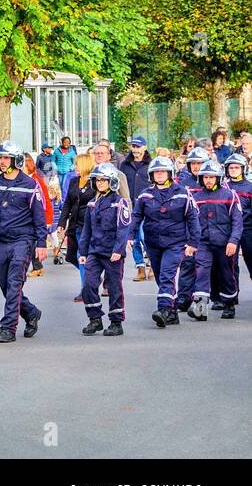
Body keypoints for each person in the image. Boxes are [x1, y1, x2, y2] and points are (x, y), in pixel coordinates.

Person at [0, 141, 46, 344]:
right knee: (5, 285)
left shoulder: (29, 184)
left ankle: (8, 328)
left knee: (14, 283)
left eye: (6, 158)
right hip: (1, 240)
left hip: (23, 240)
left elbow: (39, 217)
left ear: (16, 160)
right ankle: (31, 312)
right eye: (0, 158)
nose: (3, 162)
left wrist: (41, 243)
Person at [129, 155, 201, 328]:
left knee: (167, 274)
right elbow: (136, 217)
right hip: (153, 243)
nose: (160, 174)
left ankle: (163, 309)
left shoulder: (183, 193)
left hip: (175, 243)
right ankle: (173, 311)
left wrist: (193, 243)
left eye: (163, 171)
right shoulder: (145, 195)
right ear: (151, 175)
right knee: (161, 277)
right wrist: (130, 237)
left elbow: (193, 220)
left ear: (170, 173)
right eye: (156, 172)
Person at [77, 164, 131, 337]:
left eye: (103, 180)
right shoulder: (92, 204)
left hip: (112, 253)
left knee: (114, 287)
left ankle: (116, 322)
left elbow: (123, 229)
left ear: (112, 181)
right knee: (88, 285)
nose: (99, 183)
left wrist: (118, 250)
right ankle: (95, 319)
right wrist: (83, 253)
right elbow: (87, 230)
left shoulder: (119, 203)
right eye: (97, 180)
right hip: (95, 251)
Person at [189, 159, 243, 321]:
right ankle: (200, 307)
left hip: (224, 243)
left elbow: (237, 221)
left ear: (218, 178)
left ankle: (229, 304)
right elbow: (190, 222)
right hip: (203, 243)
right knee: (202, 272)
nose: (209, 180)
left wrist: (233, 241)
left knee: (227, 273)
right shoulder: (196, 197)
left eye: (212, 177)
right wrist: (191, 243)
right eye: (205, 177)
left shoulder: (230, 196)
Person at [175, 147, 211, 312]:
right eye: (193, 163)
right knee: (187, 263)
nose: (196, 167)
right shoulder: (183, 182)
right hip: (189, 230)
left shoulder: (214, 180)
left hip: (210, 230)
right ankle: (183, 297)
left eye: (199, 163)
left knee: (209, 265)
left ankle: (216, 296)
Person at [56, 152, 97, 295]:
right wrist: (61, 222)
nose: (75, 167)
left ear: (85, 165)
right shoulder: (74, 181)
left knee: (82, 255)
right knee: (71, 256)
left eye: (77, 164)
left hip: (87, 225)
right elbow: (67, 203)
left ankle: (86, 289)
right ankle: (93, 277)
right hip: (73, 224)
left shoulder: (94, 182)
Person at [119, 135, 153, 281]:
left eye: (138, 147)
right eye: (133, 146)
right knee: (134, 239)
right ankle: (140, 268)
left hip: (148, 206)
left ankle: (152, 264)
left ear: (144, 148)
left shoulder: (151, 164)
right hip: (130, 207)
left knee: (147, 237)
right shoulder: (125, 164)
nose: (135, 150)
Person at [225, 154, 252, 292]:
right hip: (230, 230)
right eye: (231, 167)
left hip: (248, 229)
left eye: (237, 167)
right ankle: (231, 296)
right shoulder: (223, 187)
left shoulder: (250, 187)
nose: (234, 170)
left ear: (243, 169)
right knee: (230, 264)